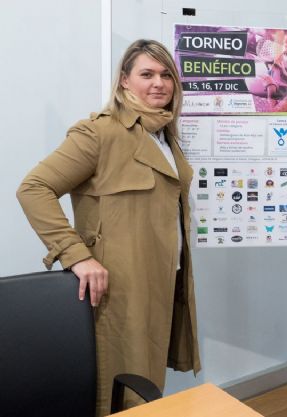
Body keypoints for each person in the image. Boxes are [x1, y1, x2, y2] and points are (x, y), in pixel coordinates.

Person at [17, 39, 200, 416]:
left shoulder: (165, 135)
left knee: (145, 383)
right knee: (120, 388)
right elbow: (34, 188)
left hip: (164, 280)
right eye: (146, 74)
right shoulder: (100, 133)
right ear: (123, 82)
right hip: (119, 286)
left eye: (167, 75)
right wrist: (76, 256)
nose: (158, 83)